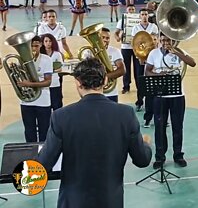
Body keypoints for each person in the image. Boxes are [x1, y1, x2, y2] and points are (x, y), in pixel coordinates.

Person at [38, 58, 152, 208]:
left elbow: (42, 166)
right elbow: (142, 160)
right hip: (110, 201)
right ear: (105, 80)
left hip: (74, 202)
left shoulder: (61, 116)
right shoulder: (126, 114)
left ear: (78, 82)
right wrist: (145, 144)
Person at [146, 33, 196, 169]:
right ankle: (160, 157)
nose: (164, 43)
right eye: (162, 40)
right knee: (159, 127)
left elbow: (192, 63)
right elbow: (147, 71)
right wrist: (158, 74)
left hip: (177, 96)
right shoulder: (154, 53)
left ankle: (178, 155)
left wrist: (177, 53)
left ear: (172, 41)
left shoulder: (178, 51)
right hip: (160, 96)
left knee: (177, 126)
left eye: (167, 40)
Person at [19, 35, 53, 142]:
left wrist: (29, 84)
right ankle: (31, 155)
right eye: (31, 46)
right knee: (29, 131)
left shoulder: (47, 59)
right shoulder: (20, 60)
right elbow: (19, 81)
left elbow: (48, 82)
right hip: (26, 101)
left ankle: (44, 155)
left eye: (36, 46)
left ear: (41, 45)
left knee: (44, 131)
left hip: (43, 101)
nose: (34, 49)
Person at [132, 8, 159, 112]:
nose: (144, 16)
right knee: (140, 80)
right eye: (142, 14)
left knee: (152, 81)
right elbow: (135, 43)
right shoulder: (136, 28)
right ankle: (139, 101)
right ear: (139, 16)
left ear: (148, 16)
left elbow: (156, 42)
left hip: (152, 58)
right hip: (140, 58)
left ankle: (152, 103)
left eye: (146, 14)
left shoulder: (154, 27)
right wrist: (139, 56)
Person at [115, 5, 138, 94]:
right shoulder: (122, 21)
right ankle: (126, 86)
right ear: (126, 10)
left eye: (133, 9)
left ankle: (139, 86)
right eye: (130, 9)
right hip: (125, 47)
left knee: (138, 68)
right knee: (125, 68)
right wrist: (117, 37)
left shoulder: (138, 20)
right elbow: (116, 33)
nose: (131, 11)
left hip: (136, 48)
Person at [99, 27, 126, 102]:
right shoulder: (88, 52)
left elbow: (122, 70)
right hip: (93, 92)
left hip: (111, 93)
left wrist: (105, 77)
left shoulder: (115, 51)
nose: (105, 40)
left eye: (107, 38)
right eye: (103, 37)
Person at [40, 33, 63, 110]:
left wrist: (49, 71)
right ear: (42, 43)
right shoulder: (40, 55)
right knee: (46, 106)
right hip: (44, 83)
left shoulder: (57, 54)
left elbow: (60, 68)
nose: (48, 43)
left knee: (57, 104)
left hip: (55, 83)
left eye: (50, 41)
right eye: (46, 41)